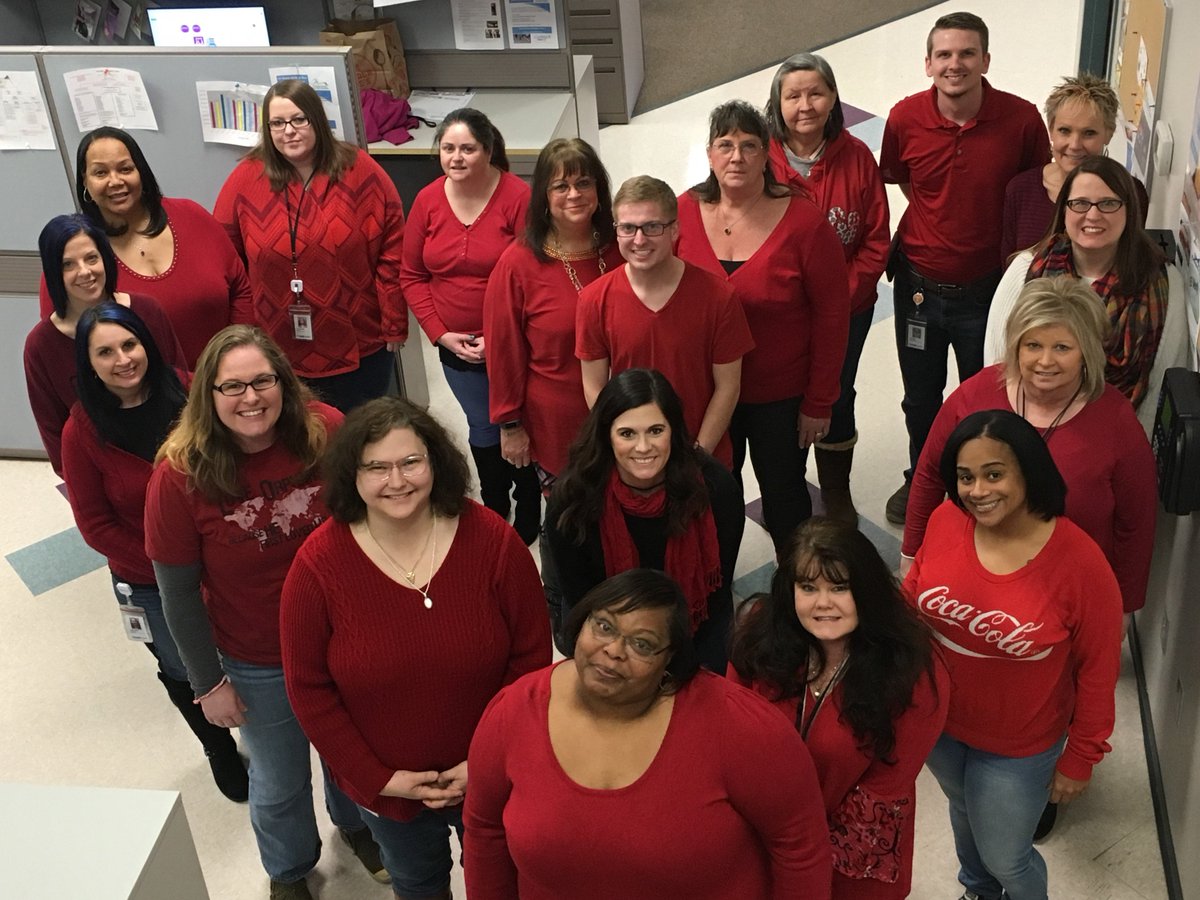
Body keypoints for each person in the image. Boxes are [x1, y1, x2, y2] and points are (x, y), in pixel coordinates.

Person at [144, 325, 383, 900]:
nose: (251, 399)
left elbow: (370, 522)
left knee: (351, 755)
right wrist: (208, 683)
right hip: (255, 656)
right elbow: (176, 592)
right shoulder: (178, 474)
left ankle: (355, 828)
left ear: (284, 382)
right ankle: (290, 870)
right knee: (278, 784)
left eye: (262, 382)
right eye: (233, 387)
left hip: (340, 639)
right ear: (209, 395)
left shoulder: (326, 429)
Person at [280, 397, 550, 898]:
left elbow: (532, 660)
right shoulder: (317, 567)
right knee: (416, 883)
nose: (397, 481)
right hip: (388, 795)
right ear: (351, 476)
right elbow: (308, 689)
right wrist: (378, 779)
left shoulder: (492, 540)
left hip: (493, 776)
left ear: (436, 462)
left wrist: (491, 760)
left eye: (410, 461)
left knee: (504, 882)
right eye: (376, 467)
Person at [463, 568, 833, 899]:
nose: (613, 651)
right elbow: (484, 832)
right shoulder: (513, 712)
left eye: (642, 644)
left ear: (669, 659)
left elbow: (799, 847)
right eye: (604, 626)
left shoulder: (743, 728)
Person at [904, 409, 1122, 900]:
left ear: (1029, 471)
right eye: (965, 477)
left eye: (994, 474)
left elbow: (1098, 669)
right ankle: (979, 894)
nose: (977, 491)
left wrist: (1080, 758)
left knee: (1007, 855)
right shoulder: (944, 520)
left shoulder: (1080, 563)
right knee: (964, 818)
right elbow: (914, 596)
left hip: (1019, 746)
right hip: (940, 727)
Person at [61, 301, 247, 802]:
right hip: (145, 577)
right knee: (184, 666)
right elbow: (95, 524)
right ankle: (218, 748)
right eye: (105, 352)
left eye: (129, 344)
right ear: (89, 362)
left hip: (226, 554)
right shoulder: (82, 431)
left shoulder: (192, 392)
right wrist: (171, 566)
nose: (122, 359)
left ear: (146, 344)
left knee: (246, 651)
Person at [879, 11, 1047, 524]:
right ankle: (922, 480)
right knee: (920, 399)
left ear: (986, 60)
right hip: (917, 291)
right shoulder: (904, 118)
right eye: (945, 55)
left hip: (988, 293)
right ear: (928, 64)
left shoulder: (1020, 120)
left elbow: (1035, 192)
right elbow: (906, 182)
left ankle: (982, 486)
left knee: (986, 398)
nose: (956, 64)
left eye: (967, 53)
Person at [904, 275, 1156, 613]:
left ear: (1087, 352)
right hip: (973, 586)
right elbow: (930, 475)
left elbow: (1136, 521)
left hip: (1067, 595)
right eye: (1033, 345)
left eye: (1062, 348)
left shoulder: (1116, 421)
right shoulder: (976, 396)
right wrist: (911, 555)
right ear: (1015, 346)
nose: (1045, 362)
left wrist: (1123, 606)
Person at [729, 517, 948, 899]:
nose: (823, 603)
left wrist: (798, 851)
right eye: (808, 587)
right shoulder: (760, 634)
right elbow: (731, 732)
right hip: (762, 828)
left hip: (853, 848)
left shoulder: (911, 670)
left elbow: (884, 788)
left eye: (840, 587)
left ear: (867, 590)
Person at [675, 99, 849, 552]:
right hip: (707, 393)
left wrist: (820, 400)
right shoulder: (682, 212)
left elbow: (833, 314)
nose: (737, 157)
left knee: (785, 496)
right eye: (725, 145)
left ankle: (795, 596)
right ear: (709, 154)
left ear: (768, 154)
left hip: (781, 395)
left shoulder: (803, 221)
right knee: (713, 492)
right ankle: (716, 588)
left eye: (749, 145)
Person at [214, 79, 406, 413]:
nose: (288, 130)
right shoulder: (245, 180)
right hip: (280, 346)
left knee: (359, 435)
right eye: (277, 123)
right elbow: (226, 262)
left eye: (299, 119)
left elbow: (393, 250)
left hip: (361, 340)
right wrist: (243, 335)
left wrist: (394, 321)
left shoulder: (359, 170)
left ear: (317, 120)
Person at [400, 107, 541, 544]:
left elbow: (535, 276)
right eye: (447, 148)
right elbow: (411, 275)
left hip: (515, 342)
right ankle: (495, 505)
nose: (456, 157)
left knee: (519, 421)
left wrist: (500, 338)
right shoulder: (426, 200)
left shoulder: (518, 198)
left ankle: (531, 502)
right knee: (481, 425)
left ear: (489, 150)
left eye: (467, 148)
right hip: (455, 344)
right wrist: (441, 333)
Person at [543, 369, 744, 672]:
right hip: (605, 628)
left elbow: (717, 593)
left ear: (674, 432)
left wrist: (677, 664)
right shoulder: (573, 499)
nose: (643, 447)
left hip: (695, 622)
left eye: (655, 431)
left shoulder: (715, 487)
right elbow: (582, 600)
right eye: (627, 434)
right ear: (606, 435)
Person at [765, 53, 890, 523]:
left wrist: (838, 300)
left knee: (837, 391)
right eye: (792, 95)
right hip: (781, 314)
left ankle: (836, 490)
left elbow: (877, 239)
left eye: (816, 93)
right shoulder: (762, 161)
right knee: (786, 396)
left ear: (834, 97)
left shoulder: (857, 156)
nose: (805, 105)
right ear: (776, 104)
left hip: (849, 311)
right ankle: (789, 488)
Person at [987, 155, 1187, 433]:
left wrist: (1131, 450)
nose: (1093, 215)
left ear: (1129, 210)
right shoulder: (1026, 269)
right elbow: (997, 366)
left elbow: (1164, 385)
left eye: (1108, 203)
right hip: (1031, 435)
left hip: (1119, 438)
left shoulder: (1164, 283)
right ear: (1064, 210)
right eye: (1080, 203)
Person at [576, 174, 753, 468]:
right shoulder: (594, 300)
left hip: (702, 456)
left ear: (674, 230)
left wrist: (698, 455)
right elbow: (594, 387)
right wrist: (627, 447)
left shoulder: (719, 297)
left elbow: (728, 388)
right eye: (628, 228)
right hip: (633, 460)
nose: (639, 239)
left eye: (652, 227)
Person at [36, 126, 254, 366]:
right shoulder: (73, 253)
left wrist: (235, 360)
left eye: (125, 169)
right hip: (141, 397)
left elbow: (240, 288)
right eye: (100, 173)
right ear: (85, 182)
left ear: (141, 172)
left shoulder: (192, 216)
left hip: (226, 382)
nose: (115, 181)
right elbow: (62, 340)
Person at [484, 137, 623, 485]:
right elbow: (504, 352)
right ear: (544, 196)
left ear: (599, 189)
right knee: (572, 523)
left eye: (583, 183)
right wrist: (510, 425)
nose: (574, 194)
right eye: (560, 186)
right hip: (558, 422)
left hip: (630, 414)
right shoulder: (517, 264)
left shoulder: (625, 247)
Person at [24, 213, 185, 476]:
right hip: (105, 480)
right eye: (68, 264)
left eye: (91, 258)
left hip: (175, 465)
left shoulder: (148, 311)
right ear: (53, 271)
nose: (85, 272)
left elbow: (181, 392)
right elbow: (55, 439)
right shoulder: (40, 346)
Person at [1000, 75, 1149, 260]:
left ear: (1109, 134)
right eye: (1065, 131)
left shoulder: (1130, 192)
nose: (1075, 144)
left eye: (1089, 133)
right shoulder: (1020, 190)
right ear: (1051, 129)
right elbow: (1008, 266)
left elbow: (1130, 263)